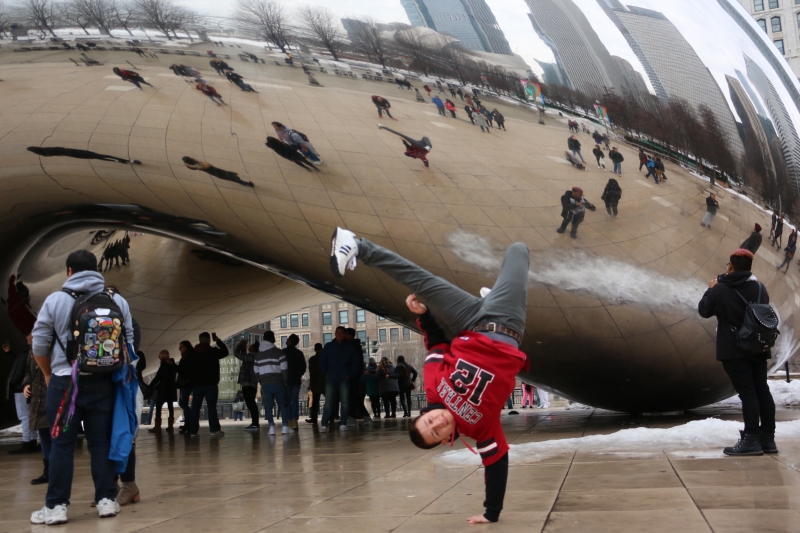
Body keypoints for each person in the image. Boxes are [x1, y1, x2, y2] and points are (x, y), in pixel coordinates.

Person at [328, 227, 530, 524]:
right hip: (505, 322)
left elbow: (436, 344)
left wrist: (423, 315)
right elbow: (496, 462)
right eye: (436, 431)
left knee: (421, 283)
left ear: (424, 414)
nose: (437, 423)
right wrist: (492, 513)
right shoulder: (481, 429)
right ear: (446, 439)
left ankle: (355, 245)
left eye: (428, 422)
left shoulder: (434, 387)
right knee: (518, 249)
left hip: (468, 321)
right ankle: (500, 291)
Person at [30, 250, 134, 525]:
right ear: (97, 270)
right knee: (100, 443)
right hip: (104, 383)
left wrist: (48, 374)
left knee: (61, 445)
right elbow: (129, 341)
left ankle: (56, 507)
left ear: (69, 271)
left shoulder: (56, 300)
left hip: (65, 383)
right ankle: (106, 500)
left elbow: (39, 344)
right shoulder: (116, 300)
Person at [698, 249, 776, 456]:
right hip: (757, 347)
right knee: (761, 390)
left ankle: (751, 439)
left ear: (731, 266)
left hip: (734, 349)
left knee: (747, 393)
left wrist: (711, 289)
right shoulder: (760, 288)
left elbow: (704, 310)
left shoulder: (721, 289)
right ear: (750, 267)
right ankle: (767, 438)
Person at [319, 326, 360, 432]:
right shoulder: (328, 346)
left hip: (344, 377)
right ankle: (324, 423)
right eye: (337, 333)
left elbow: (356, 362)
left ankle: (343, 422)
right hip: (331, 376)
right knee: (328, 401)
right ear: (335, 334)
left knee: (345, 402)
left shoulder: (350, 348)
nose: (339, 335)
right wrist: (325, 372)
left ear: (344, 334)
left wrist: (350, 374)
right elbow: (322, 360)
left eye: (341, 333)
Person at [188, 332, 229, 438]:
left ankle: (193, 431)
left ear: (199, 340)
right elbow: (225, 352)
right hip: (211, 384)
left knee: (195, 408)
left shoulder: (192, 353)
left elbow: (189, 369)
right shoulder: (212, 352)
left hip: (197, 385)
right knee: (212, 407)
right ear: (208, 340)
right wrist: (218, 341)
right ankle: (214, 430)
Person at [23, 337, 51, 484]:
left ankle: (58, 470)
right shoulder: (33, 349)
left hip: (52, 395)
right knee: (44, 434)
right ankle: (48, 471)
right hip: (38, 397)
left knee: (56, 435)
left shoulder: (56, 345)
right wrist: (27, 384)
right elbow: (28, 369)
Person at [254, 331, 292, 435]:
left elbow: (256, 371)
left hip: (265, 384)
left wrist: (261, 380)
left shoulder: (258, 355)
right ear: (273, 339)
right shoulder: (279, 352)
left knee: (269, 405)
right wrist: (285, 381)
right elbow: (284, 368)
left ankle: (271, 427)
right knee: (283, 405)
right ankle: (285, 426)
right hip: (278, 382)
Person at [6, 339, 36, 454]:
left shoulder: (25, 352)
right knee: (29, 415)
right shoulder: (31, 351)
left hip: (20, 388)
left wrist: (12, 382)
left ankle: (27, 442)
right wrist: (9, 353)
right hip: (26, 386)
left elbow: (19, 370)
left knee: (24, 416)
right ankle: (32, 441)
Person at [147, 350, 177, 432]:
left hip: (163, 389)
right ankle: (170, 426)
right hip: (171, 388)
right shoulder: (172, 364)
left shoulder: (163, 365)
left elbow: (157, 377)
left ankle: (157, 426)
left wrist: (150, 387)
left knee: (158, 406)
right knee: (170, 406)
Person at [234, 339, 260, 430]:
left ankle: (255, 424)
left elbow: (237, 354)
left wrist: (240, 345)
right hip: (252, 383)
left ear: (254, 349)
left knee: (251, 403)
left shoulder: (251, 357)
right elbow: (244, 354)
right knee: (251, 403)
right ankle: (255, 423)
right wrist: (243, 346)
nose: (250, 346)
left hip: (248, 383)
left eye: (252, 345)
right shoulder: (254, 357)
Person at [182, 156, 254, 188]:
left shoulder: (195, 163)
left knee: (228, 175)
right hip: (212, 171)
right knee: (229, 177)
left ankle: (242, 181)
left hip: (213, 169)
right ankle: (246, 183)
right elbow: (203, 167)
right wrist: (204, 166)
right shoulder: (195, 165)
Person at [283, 334, 307, 429]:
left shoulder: (283, 352)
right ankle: (295, 420)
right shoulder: (299, 353)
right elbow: (303, 368)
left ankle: (289, 420)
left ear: (289, 341)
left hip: (286, 381)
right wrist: (298, 375)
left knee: (287, 401)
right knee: (295, 400)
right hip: (296, 380)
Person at [27, 146, 140, 165]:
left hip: (76, 154)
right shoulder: (48, 150)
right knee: (101, 156)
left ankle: (120, 161)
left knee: (100, 157)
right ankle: (122, 160)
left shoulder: (46, 154)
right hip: (77, 153)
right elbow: (61, 149)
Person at [176, 340, 195, 434]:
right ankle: (189, 422)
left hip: (186, 383)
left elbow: (184, 370)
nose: (180, 349)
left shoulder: (188, 357)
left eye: (181, 347)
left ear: (186, 347)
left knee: (183, 403)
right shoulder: (187, 356)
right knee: (183, 403)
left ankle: (189, 421)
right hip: (186, 383)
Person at [305, 343, 326, 424]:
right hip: (325, 382)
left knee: (315, 402)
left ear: (315, 349)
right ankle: (331, 417)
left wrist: (311, 384)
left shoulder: (312, 359)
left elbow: (312, 373)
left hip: (316, 383)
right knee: (329, 401)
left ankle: (314, 418)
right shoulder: (325, 358)